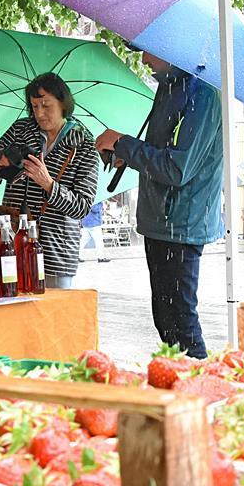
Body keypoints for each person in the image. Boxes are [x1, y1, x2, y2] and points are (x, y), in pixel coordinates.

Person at [94, 52, 222, 359]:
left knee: (181, 324)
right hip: (160, 221)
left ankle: (200, 393)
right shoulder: (170, 86)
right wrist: (131, 153)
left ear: (170, 47)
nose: (142, 56)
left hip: (181, 224)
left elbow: (177, 169)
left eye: (146, 49)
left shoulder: (201, 93)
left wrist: (122, 142)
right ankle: (178, 388)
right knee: (166, 323)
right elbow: (161, 153)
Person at [0, 72, 98, 289]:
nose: (39, 113)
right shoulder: (20, 131)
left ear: (63, 103)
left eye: (46, 105)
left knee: (53, 319)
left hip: (56, 249)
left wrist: (49, 184)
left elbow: (82, 207)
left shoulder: (84, 144)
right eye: (34, 106)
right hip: (11, 243)